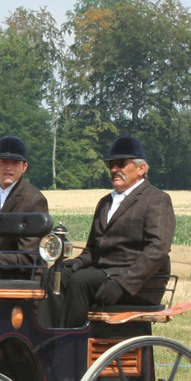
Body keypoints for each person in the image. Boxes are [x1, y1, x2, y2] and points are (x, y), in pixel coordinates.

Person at [54, 135, 175, 328]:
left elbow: (157, 250)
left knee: (80, 281)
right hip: (104, 274)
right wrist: (77, 262)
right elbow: (92, 249)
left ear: (141, 168)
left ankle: (69, 345)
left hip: (138, 283)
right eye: (111, 165)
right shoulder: (105, 202)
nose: (114, 170)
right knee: (56, 276)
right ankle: (48, 337)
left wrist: (123, 283)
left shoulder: (156, 199)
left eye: (121, 164)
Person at [0, 135, 50, 257]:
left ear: (24, 167)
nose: (8, 168)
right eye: (3, 162)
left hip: (19, 270)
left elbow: (29, 256)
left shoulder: (35, 200)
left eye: (15, 163)